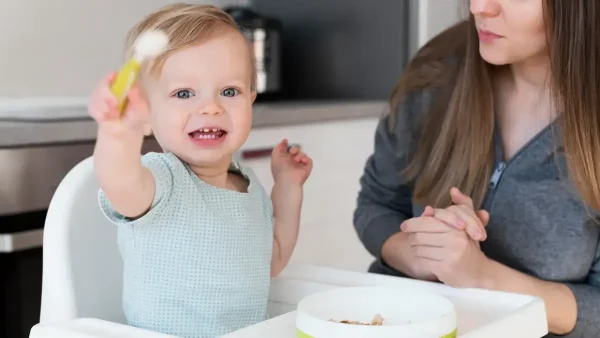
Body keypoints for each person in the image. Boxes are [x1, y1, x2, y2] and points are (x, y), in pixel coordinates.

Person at [353, 1, 600, 337]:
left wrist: (481, 276)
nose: (478, 7)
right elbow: (376, 205)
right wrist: (425, 254)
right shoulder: (437, 71)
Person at [88, 4, 313, 338]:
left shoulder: (246, 185)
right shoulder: (162, 180)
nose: (211, 106)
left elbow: (272, 260)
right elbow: (119, 182)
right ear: (146, 113)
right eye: (184, 93)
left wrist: (288, 186)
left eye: (229, 91)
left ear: (251, 99)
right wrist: (119, 131)